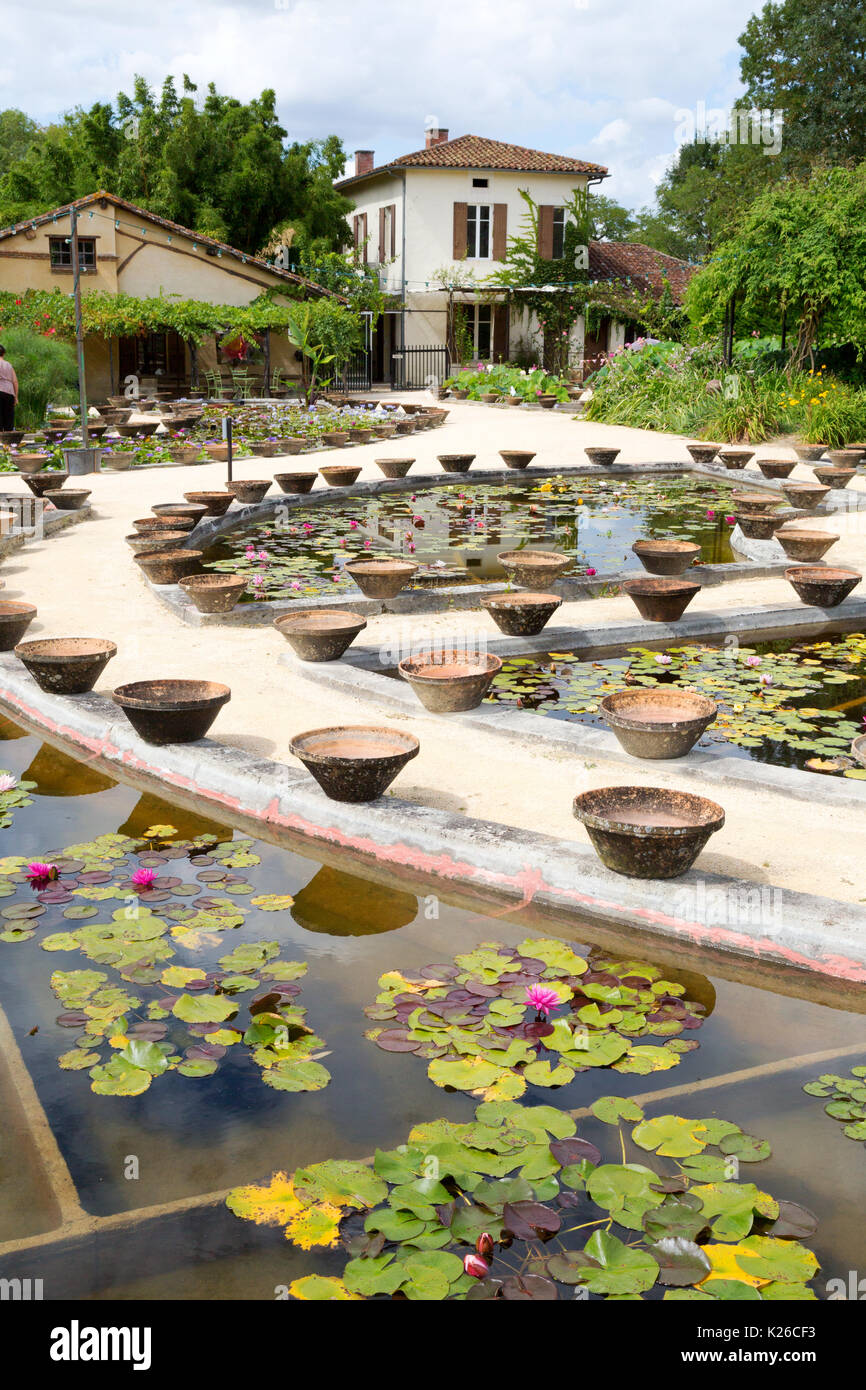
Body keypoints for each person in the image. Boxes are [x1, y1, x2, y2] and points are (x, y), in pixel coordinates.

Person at [0, 346, 18, 431]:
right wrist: (16, 397)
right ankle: (8, 441)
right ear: (3, 353)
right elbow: (15, 381)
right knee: (9, 419)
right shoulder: (9, 365)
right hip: (9, 392)